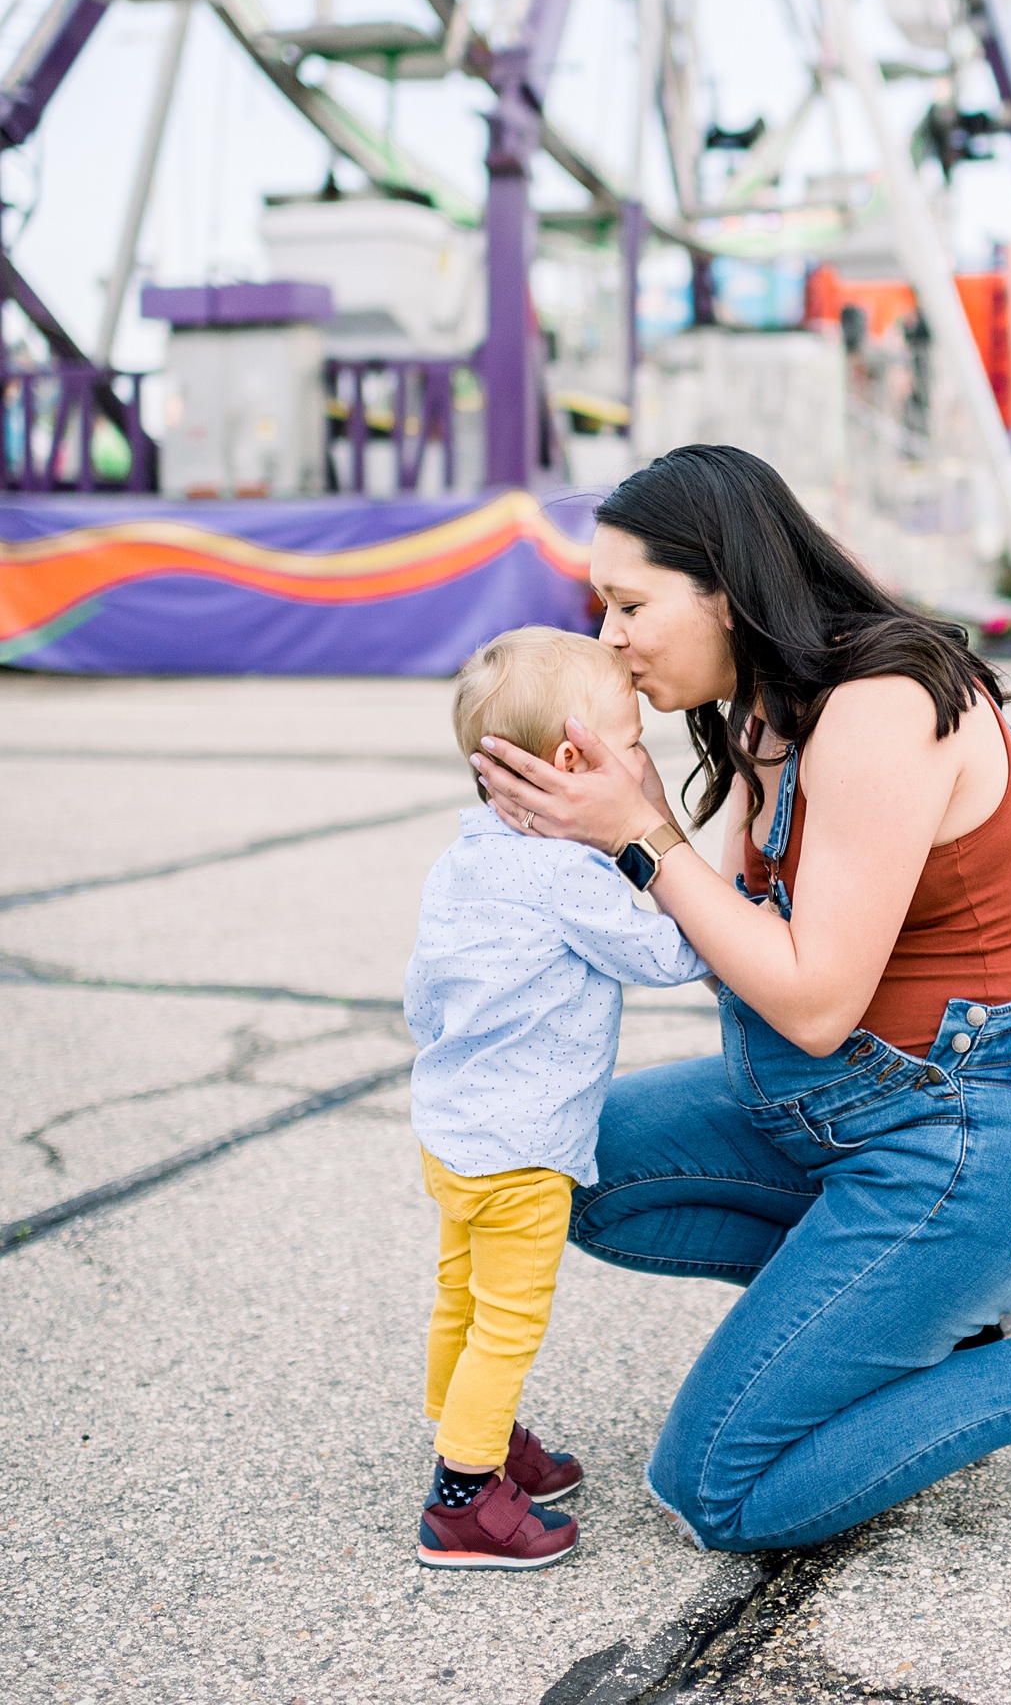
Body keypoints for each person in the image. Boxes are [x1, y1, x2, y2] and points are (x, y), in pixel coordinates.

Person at [471, 446, 1011, 1555]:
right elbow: (737, 941)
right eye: (603, 608)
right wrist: (613, 820)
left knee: (717, 1494)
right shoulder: (759, 713)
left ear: (724, 588)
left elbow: (815, 1001)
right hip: (841, 1117)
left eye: (632, 605)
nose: (610, 639)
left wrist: (641, 839)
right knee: (563, 1161)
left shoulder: (877, 707)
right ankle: (903, 1312)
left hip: (980, 1136)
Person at [404, 626, 706, 1569]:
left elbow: (422, 995)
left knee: (460, 1299)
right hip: (525, 1153)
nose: (643, 744)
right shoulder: (567, 875)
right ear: (574, 759)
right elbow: (675, 951)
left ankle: (474, 1439)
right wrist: (694, 869)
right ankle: (462, 1502)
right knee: (508, 1323)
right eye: (632, 735)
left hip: (451, 1133)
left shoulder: (467, 857)